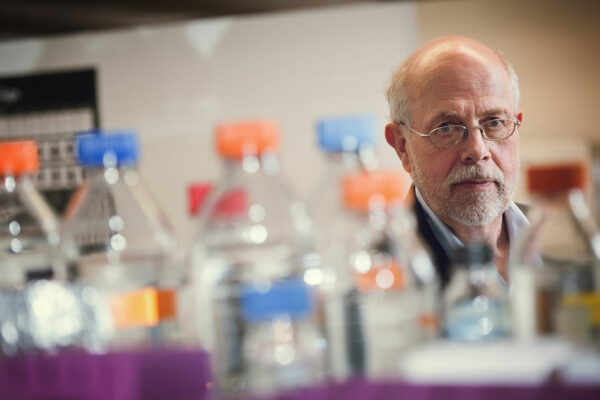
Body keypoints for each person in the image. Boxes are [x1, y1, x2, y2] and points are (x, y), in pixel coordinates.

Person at [384, 35, 528, 287]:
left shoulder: (567, 243)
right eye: (447, 127)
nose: (477, 150)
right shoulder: (382, 272)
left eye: (494, 123)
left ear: (516, 125)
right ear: (402, 145)